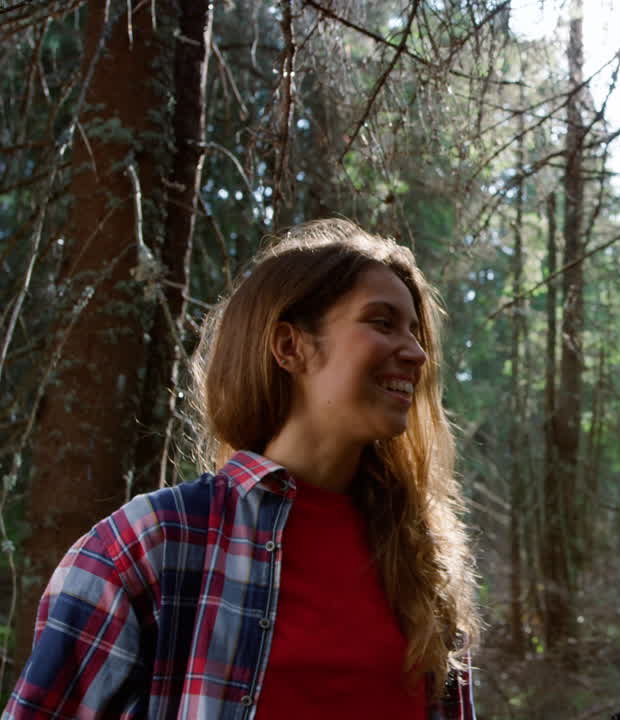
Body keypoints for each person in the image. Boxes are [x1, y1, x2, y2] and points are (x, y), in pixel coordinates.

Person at [5, 219, 480, 719]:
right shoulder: (151, 545)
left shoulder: (422, 560)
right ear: (289, 346)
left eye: (414, 330)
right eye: (382, 322)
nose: (417, 353)